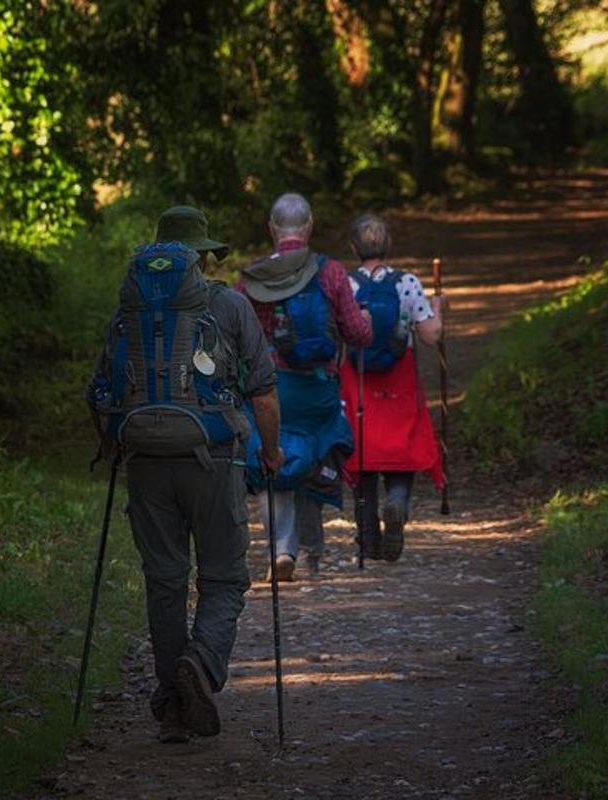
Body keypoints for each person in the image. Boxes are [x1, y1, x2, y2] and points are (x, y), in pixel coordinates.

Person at [86, 205, 283, 744]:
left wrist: (113, 446)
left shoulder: (129, 310)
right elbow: (262, 390)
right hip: (213, 458)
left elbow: (105, 387)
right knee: (223, 577)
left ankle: (173, 703)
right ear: (203, 255)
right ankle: (199, 664)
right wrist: (271, 451)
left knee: (166, 582)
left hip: (146, 462)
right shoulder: (232, 306)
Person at [239, 193, 373, 579]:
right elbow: (357, 333)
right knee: (314, 454)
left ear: (271, 229)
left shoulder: (251, 278)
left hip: (268, 388)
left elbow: (231, 331)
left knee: (269, 454)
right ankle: (312, 552)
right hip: (317, 389)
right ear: (310, 225)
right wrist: (365, 320)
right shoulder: (330, 273)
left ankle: (281, 548)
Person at [339, 214, 445, 562]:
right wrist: (438, 311)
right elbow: (430, 336)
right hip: (399, 382)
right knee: (401, 451)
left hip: (359, 381)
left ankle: (368, 541)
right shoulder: (407, 283)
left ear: (354, 248)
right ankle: (397, 504)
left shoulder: (346, 285)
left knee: (364, 457)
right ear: (388, 246)